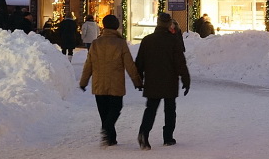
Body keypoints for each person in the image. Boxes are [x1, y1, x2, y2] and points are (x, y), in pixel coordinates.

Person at [79, 14, 142, 147]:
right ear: (116, 26)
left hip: (99, 83)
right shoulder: (120, 43)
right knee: (116, 107)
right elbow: (129, 64)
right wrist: (137, 82)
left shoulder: (96, 43)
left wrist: (83, 82)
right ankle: (108, 131)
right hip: (116, 84)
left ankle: (109, 137)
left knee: (104, 111)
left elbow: (88, 64)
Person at [136, 12, 190, 149]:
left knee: (151, 109)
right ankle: (168, 137)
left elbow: (139, 63)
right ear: (168, 24)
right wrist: (186, 79)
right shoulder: (173, 41)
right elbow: (180, 63)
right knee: (170, 109)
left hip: (152, 80)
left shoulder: (147, 40)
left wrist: (138, 80)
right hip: (169, 80)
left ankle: (144, 132)